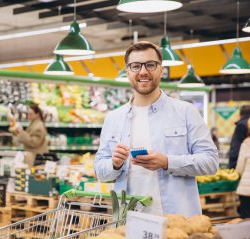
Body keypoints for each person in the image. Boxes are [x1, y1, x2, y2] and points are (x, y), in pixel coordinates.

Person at [94, 41, 218, 217]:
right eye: (135, 66)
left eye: (150, 65)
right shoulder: (113, 118)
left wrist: (167, 162)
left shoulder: (186, 112)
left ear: (161, 70)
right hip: (128, 220)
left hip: (177, 221)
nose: (143, 71)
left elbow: (211, 162)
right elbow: (100, 170)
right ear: (127, 72)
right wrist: (114, 164)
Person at [235, 118, 250, 218]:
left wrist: (238, 174)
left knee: (246, 220)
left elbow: (240, 167)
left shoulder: (247, 143)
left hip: (247, 189)